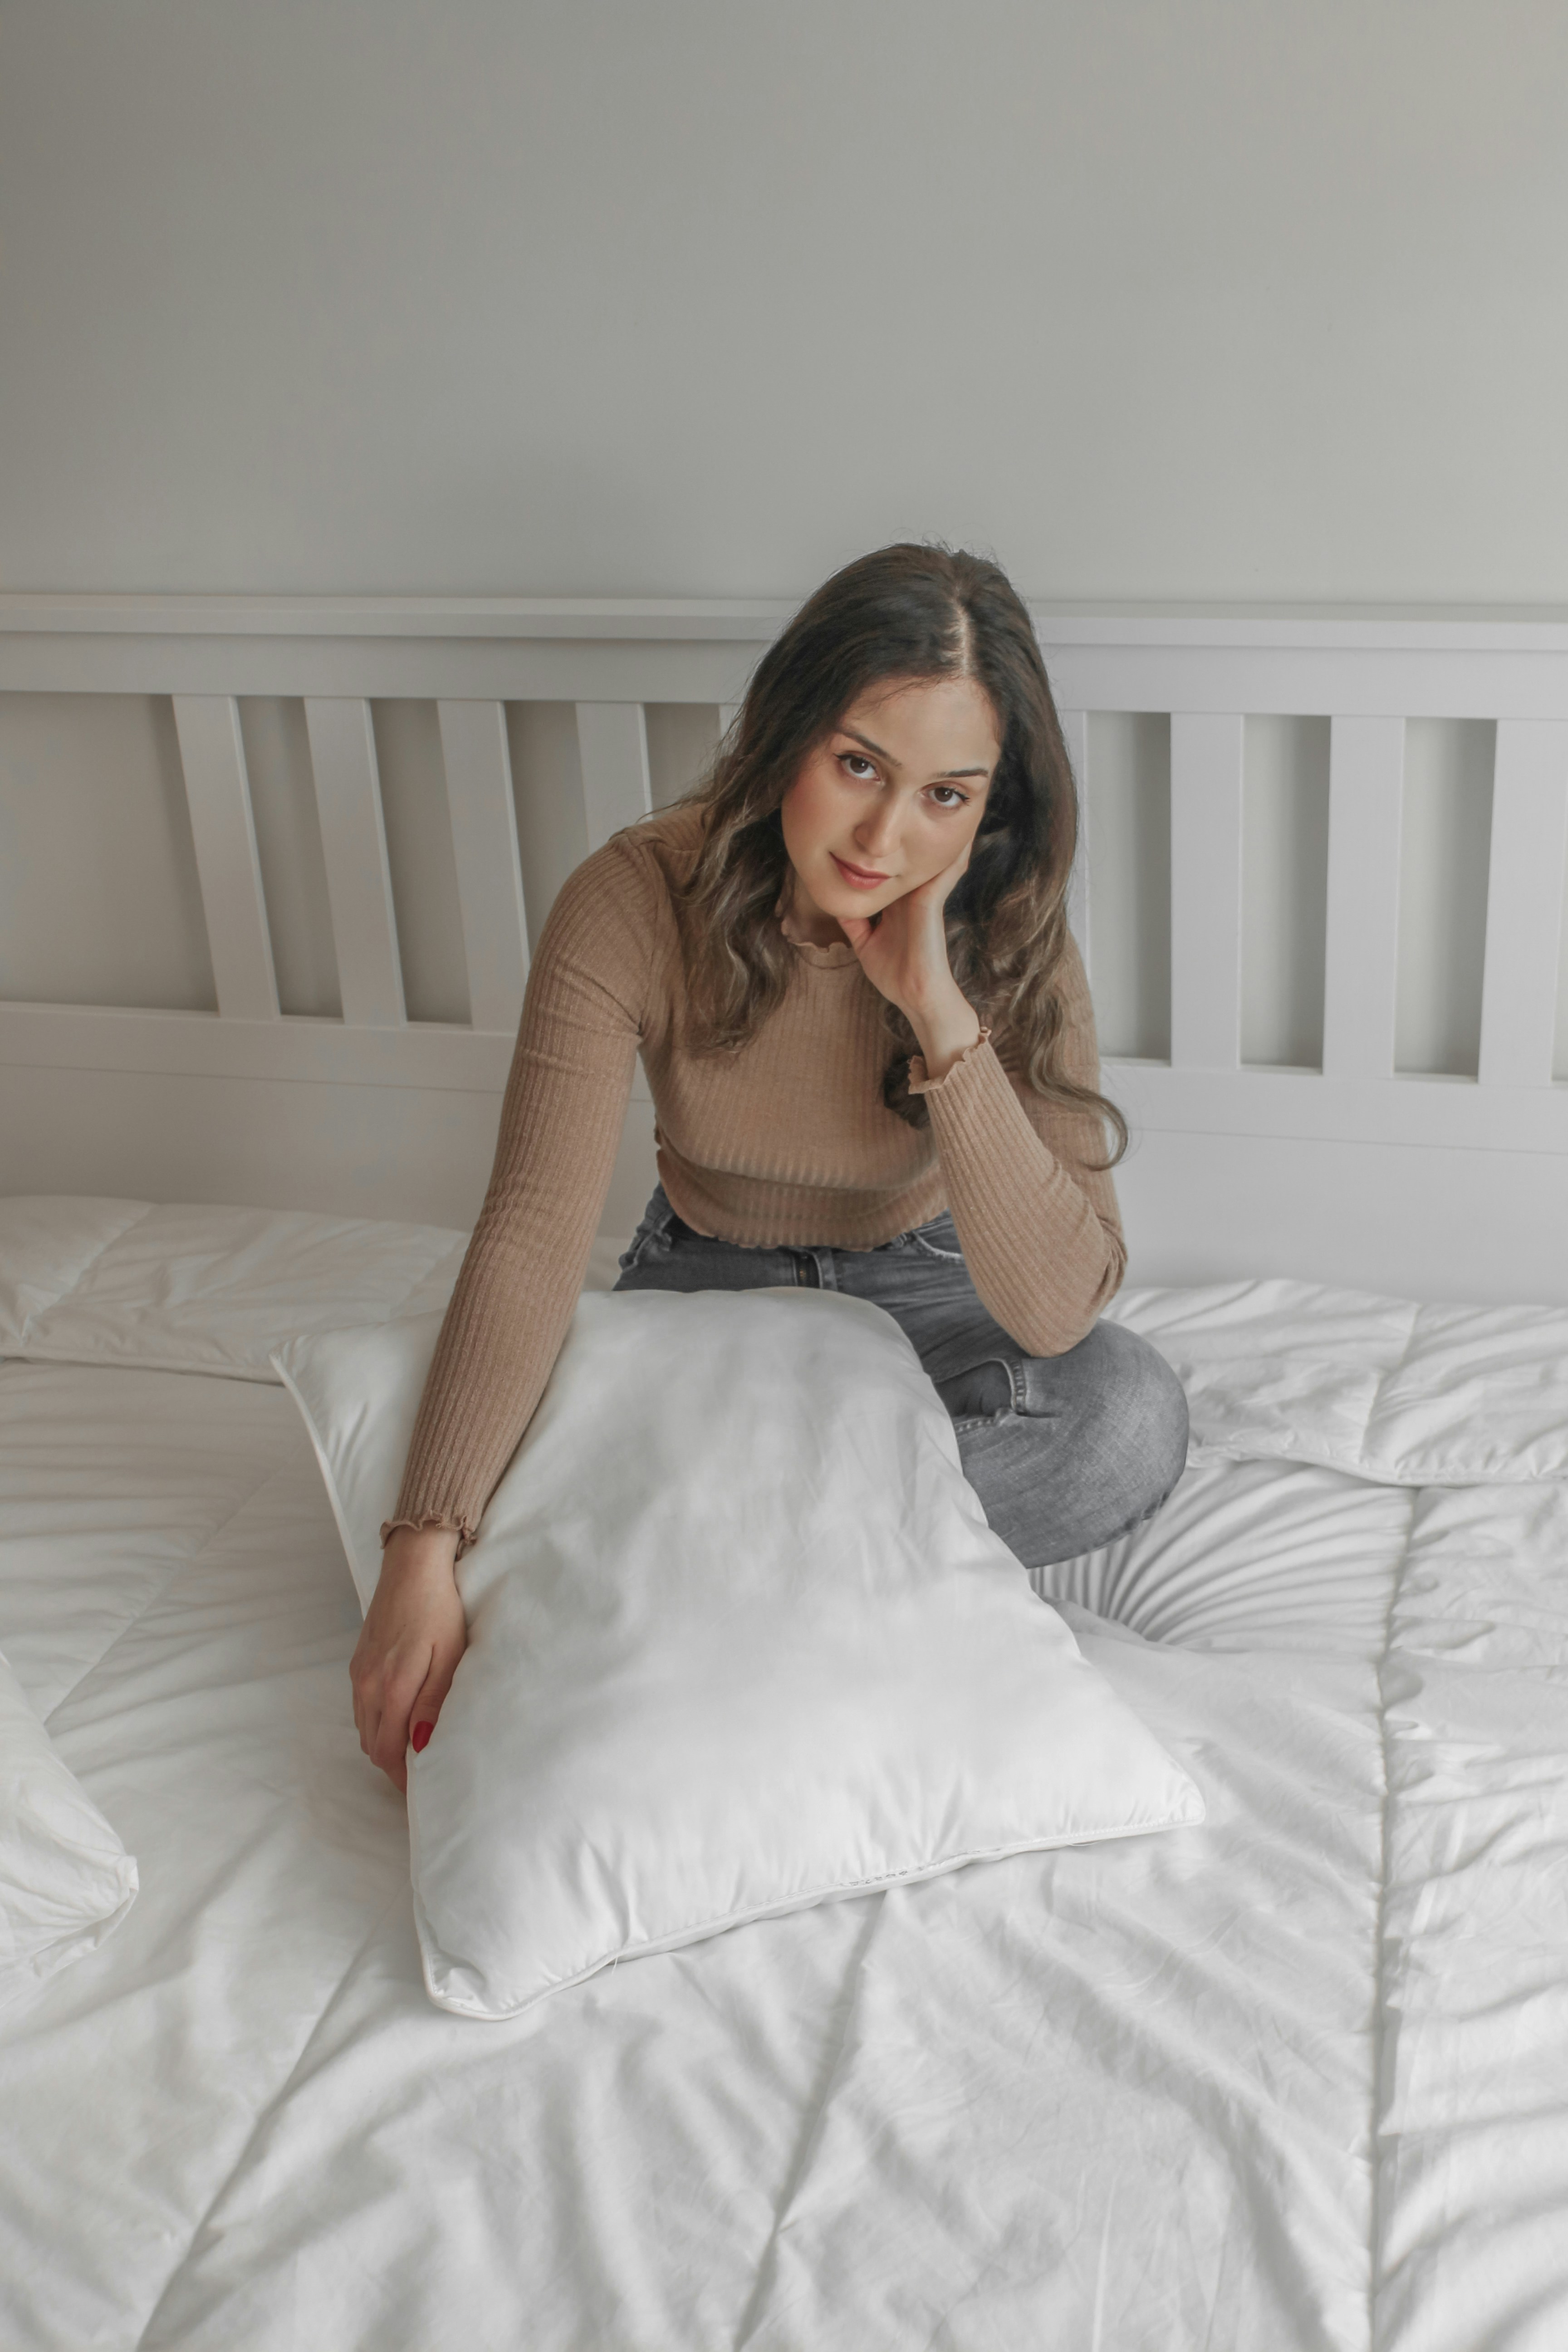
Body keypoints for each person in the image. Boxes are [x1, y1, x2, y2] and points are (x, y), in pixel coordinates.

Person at [351, 544, 1188, 1790]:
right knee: (545, 1456)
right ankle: (854, 1588)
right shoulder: (632, 900)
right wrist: (425, 1544)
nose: (887, 836)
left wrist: (942, 1018)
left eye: (946, 796)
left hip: (930, 1292)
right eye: (859, 765)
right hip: (706, 1285)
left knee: (1126, 1418)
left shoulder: (1006, 929)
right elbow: (533, 1228)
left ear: (991, 805)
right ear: (787, 732)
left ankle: (732, 1573)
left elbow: (1064, 1304)